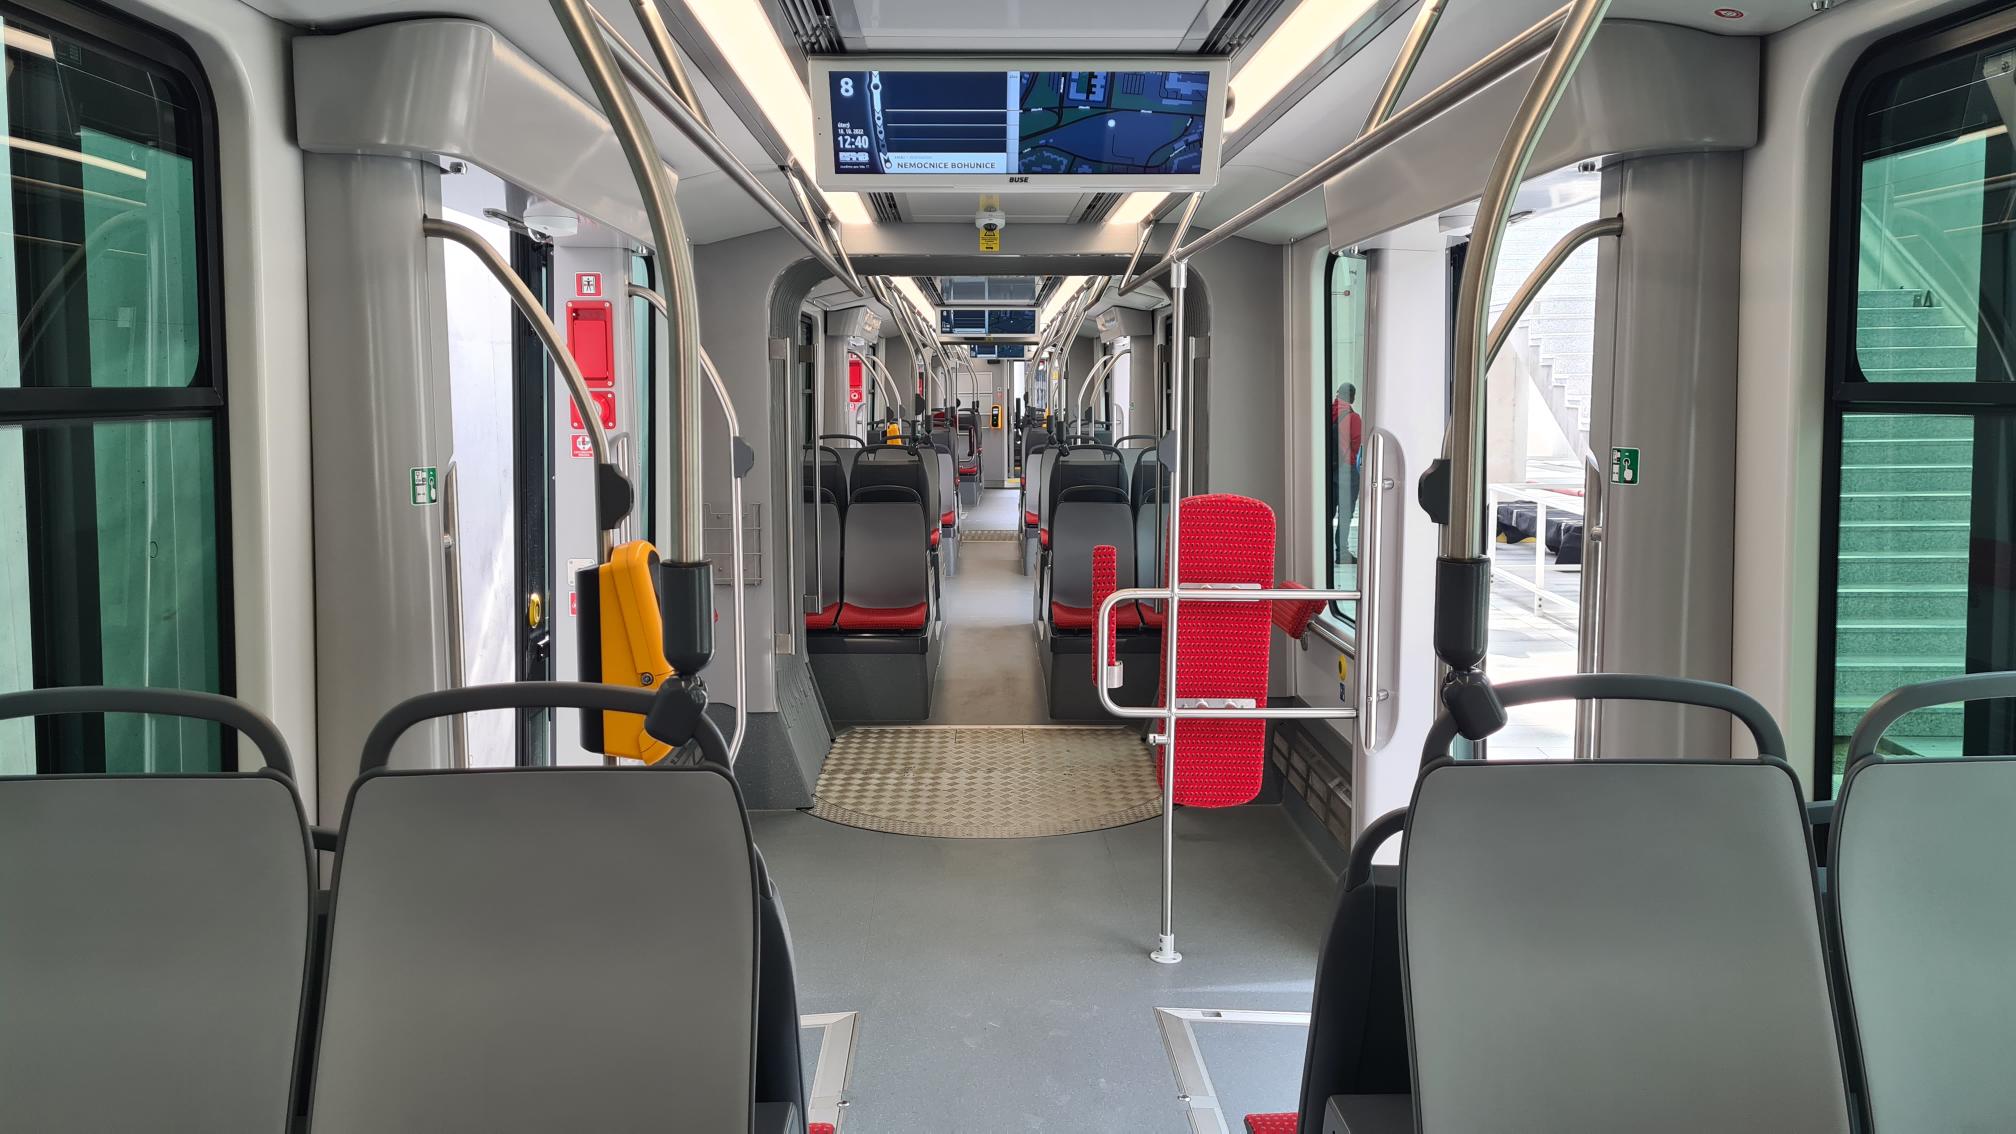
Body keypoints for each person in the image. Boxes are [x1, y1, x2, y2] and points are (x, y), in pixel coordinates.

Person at [1331, 383, 1363, 563]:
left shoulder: (1327, 412)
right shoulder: (1353, 418)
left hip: (1329, 470)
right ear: (1351, 397)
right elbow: (1357, 444)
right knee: (1345, 513)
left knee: (1328, 512)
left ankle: (1323, 550)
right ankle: (1341, 553)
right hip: (1346, 470)